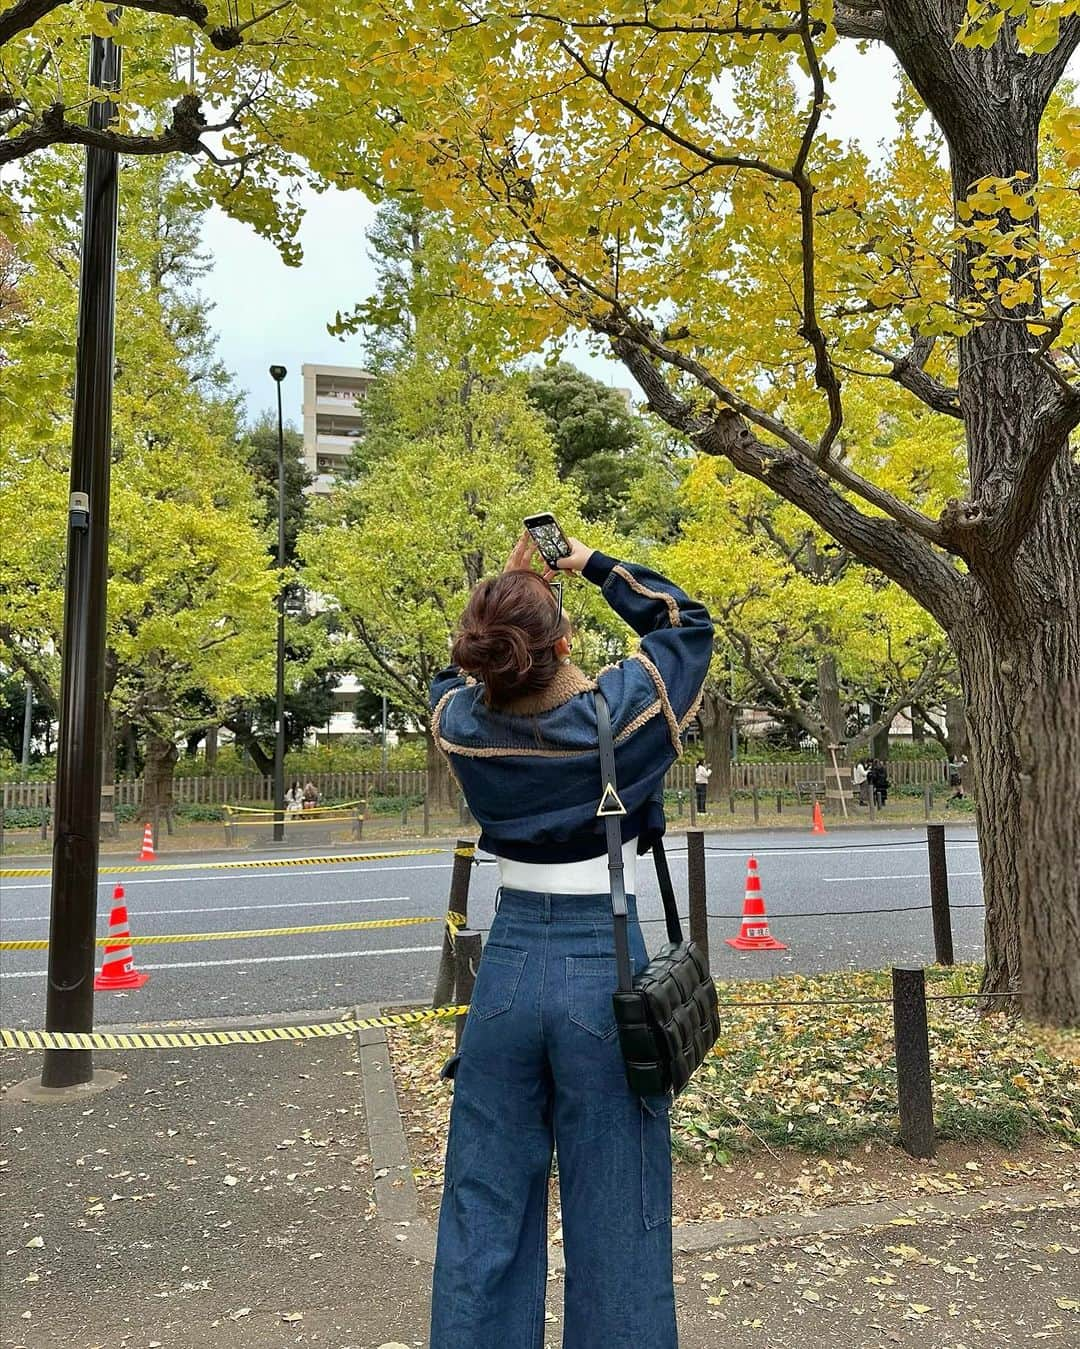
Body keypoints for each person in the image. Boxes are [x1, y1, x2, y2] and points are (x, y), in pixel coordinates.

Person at [428, 532, 713, 1349]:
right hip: (604, 964)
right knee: (619, 1212)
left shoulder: (461, 725)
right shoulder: (620, 718)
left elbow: (453, 680)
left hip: (507, 966)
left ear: (485, 655)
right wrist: (583, 561)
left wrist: (507, 590)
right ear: (564, 644)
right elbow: (685, 623)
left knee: (483, 1206)